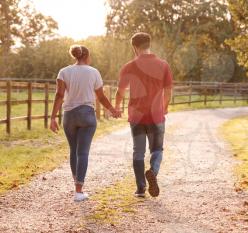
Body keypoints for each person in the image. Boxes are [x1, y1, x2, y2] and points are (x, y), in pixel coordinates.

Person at [50, 45, 120, 202]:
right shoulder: (93, 72)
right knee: (82, 153)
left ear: (75, 56)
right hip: (87, 114)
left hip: (69, 115)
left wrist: (53, 117)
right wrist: (112, 110)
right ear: (87, 56)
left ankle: (77, 187)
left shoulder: (64, 71)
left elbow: (59, 95)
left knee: (74, 150)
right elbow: (101, 97)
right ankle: (78, 191)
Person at [115, 32, 173, 198]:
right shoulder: (163, 65)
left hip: (136, 116)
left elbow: (120, 92)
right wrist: (165, 107)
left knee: (138, 152)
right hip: (156, 115)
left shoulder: (129, 66)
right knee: (157, 149)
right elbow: (168, 91)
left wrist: (117, 107)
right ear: (149, 44)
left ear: (134, 47)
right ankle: (153, 172)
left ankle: (141, 188)